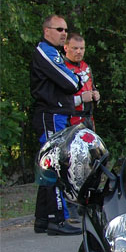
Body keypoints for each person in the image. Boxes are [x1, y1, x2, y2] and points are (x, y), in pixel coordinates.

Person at [30, 14, 84, 235]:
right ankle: (57, 219)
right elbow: (72, 82)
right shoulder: (46, 51)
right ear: (47, 31)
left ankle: (43, 218)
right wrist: (75, 79)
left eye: (65, 30)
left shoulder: (53, 53)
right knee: (55, 164)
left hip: (57, 114)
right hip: (50, 114)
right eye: (59, 29)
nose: (64, 33)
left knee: (49, 164)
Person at [63, 33, 100, 130]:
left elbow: (92, 88)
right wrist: (80, 99)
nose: (79, 52)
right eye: (75, 48)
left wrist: (96, 95)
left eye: (82, 48)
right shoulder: (62, 68)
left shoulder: (86, 66)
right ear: (66, 48)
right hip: (70, 119)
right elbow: (58, 101)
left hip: (88, 119)